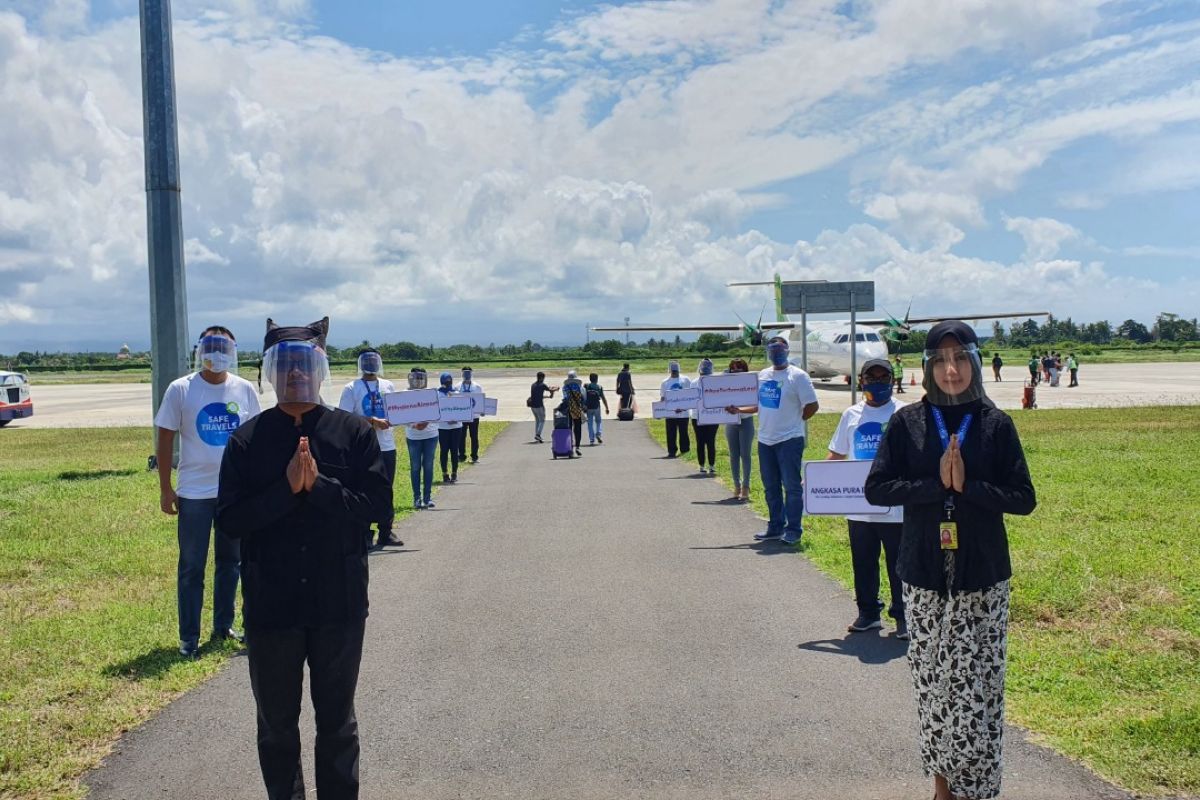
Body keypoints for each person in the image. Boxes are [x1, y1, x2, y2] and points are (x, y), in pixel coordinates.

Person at [216, 317, 392, 800]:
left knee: (337, 720)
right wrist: (284, 490)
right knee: (276, 724)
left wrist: (318, 487)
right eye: (286, 366)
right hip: (272, 605)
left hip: (338, 601)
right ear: (270, 375)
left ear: (320, 371)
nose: (295, 375)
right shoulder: (247, 440)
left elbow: (377, 508)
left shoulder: (352, 433)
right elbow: (229, 521)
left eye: (304, 365)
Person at [864, 320, 1036, 800]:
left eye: (960, 358)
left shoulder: (996, 424)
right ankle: (942, 787)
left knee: (978, 691)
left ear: (975, 363)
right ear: (927, 367)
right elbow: (876, 488)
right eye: (940, 360)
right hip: (922, 575)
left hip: (981, 579)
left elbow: (1023, 497)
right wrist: (935, 485)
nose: (951, 369)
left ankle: (979, 789)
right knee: (933, 687)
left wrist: (970, 488)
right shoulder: (907, 423)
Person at [155, 326, 261, 660]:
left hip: (234, 493)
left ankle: (223, 625)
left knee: (231, 561)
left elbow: (257, 438)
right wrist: (165, 488)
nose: (216, 353)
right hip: (194, 493)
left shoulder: (244, 390)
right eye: (210, 346)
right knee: (191, 566)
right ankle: (189, 637)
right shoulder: (181, 390)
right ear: (200, 350)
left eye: (222, 346)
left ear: (233, 351)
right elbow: (165, 437)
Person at [827, 358, 907, 638]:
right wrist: (815, 481)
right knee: (863, 562)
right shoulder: (851, 415)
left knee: (899, 564)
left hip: (895, 506)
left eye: (882, 377)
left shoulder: (904, 413)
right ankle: (868, 613)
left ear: (892, 380)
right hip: (858, 506)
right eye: (870, 377)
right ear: (860, 381)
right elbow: (837, 453)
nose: (876, 382)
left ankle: (903, 616)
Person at [729, 337, 818, 545]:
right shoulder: (763, 375)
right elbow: (761, 405)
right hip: (765, 440)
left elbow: (812, 406)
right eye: (772, 349)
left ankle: (793, 529)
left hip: (789, 439)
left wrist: (796, 420)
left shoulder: (798, 376)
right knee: (771, 487)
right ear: (767, 352)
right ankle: (775, 526)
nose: (776, 353)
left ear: (787, 350)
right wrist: (739, 410)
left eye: (780, 349)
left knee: (791, 486)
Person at [338, 349, 401, 549]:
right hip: (362, 448)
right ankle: (364, 532)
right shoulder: (352, 388)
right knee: (363, 489)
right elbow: (344, 417)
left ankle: (386, 530)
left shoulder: (387, 385)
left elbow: (398, 411)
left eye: (374, 360)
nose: (371, 364)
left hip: (386, 445)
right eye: (367, 360)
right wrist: (371, 421)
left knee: (386, 489)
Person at [403, 368, 439, 510]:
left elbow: (438, 413)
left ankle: (427, 497)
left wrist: (427, 422)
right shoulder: (404, 395)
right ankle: (416, 498)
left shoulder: (431, 393)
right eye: (415, 378)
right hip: (413, 437)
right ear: (410, 378)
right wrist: (413, 425)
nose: (418, 381)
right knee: (415, 466)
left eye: (420, 378)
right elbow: (399, 414)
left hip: (431, 435)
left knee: (428, 466)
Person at [723, 358, 755, 501]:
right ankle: (737, 485)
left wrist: (740, 410)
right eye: (732, 369)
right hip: (731, 423)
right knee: (733, 455)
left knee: (745, 454)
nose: (735, 371)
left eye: (738, 368)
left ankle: (746, 487)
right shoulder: (726, 382)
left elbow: (755, 407)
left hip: (746, 421)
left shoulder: (751, 382)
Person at [691, 357, 720, 474]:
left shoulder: (714, 381)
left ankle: (708, 465)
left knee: (707, 441)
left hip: (709, 416)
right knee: (703, 441)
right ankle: (704, 465)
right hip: (698, 416)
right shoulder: (694, 382)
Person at [660, 361, 692, 458]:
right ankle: (672, 451)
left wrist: (684, 407)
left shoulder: (685, 380)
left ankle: (685, 450)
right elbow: (663, 398)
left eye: (676, 371)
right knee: (670, 433)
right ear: (670, 371)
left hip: (683, 412)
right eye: (673, 371)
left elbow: (690, 395)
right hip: (670, 413)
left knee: (683, 433)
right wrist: (660, 411)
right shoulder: (665, 382)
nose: (674, 373)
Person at [436, 372, 462, 483]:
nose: (448, 383)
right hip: (443, 427)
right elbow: (436, 410)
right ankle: (445, 473)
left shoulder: (457, 392)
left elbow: (461, 409)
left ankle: (454, 473)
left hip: (456, 426)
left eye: (449, 380)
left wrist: (457, 418)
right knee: (444, 451)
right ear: (441, 381)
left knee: (454, 450)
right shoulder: (437, 394)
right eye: (445, 381)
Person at [456, 366, 484, 464]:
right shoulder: (457, 387)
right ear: (462, 374)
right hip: (462, 415)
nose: (467, 375)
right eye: (465, 373)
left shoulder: (477, 387)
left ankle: (474, 456)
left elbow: (481, 400)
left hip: (474, 415)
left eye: (468, 373)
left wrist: (482, 410)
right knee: (461, 436)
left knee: (474, 436)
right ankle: (462, 455)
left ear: (472, 374)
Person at [561, 369, 586, 456]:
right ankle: (578, 447)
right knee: (577, 428)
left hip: (568, 410)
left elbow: (565, 399)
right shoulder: (580, 387)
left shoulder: (565, 388)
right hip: (577, 410)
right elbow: (583, 399)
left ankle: (570, 448)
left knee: (569, 429)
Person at [528, 371, 557, 442]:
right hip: (539, 406)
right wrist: (556, 389)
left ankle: (537, 435)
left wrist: (547, 396)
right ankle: (538, 434)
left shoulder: (533, 385)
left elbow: (538, 395)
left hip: (532, 406)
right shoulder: (542, 385)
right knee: (542, 420)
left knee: (538, 420)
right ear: (541, 378)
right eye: (543, 378)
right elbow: (550, 390)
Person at [583, 372, 609, 445]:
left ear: (590, 379)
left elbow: (583, 396)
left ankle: (591, 439)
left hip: (588, 407)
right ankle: (598, 434)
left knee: (590, 423)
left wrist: (583, 405)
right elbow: (603, 398)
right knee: (598, 421)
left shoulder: (586, 386)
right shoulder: (599, 387)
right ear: (597, 379)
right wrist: (607, 408)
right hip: (597, 406)